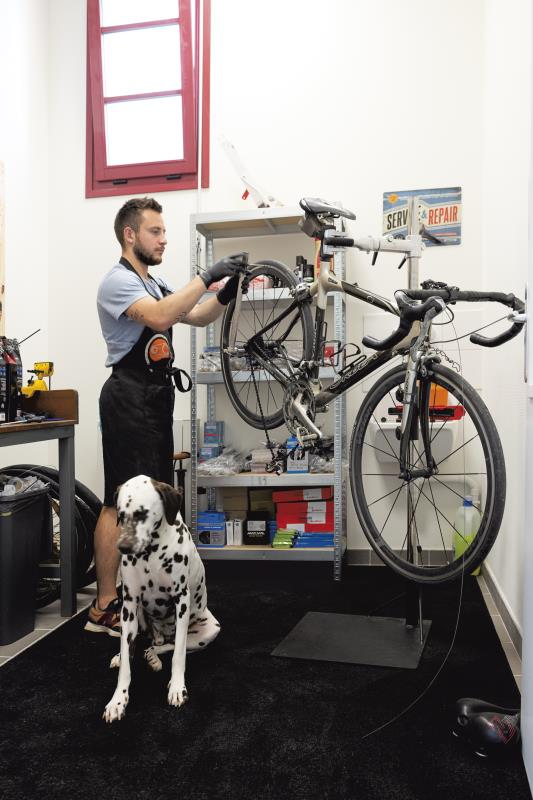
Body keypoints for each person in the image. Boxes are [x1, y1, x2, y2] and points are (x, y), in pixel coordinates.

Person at [85, 196, 244, 636]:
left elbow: (192, 314)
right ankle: (103, 607)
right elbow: (158, 319)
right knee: (119, 502)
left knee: (156, 500)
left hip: (155, 398)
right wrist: (207, 275)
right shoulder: (117, 282)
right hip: (126, 397)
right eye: (155, 232)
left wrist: (225, 294)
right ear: (130, 234)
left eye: (164, 232)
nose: (163, 239)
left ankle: (150, 597)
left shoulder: (154, 283)